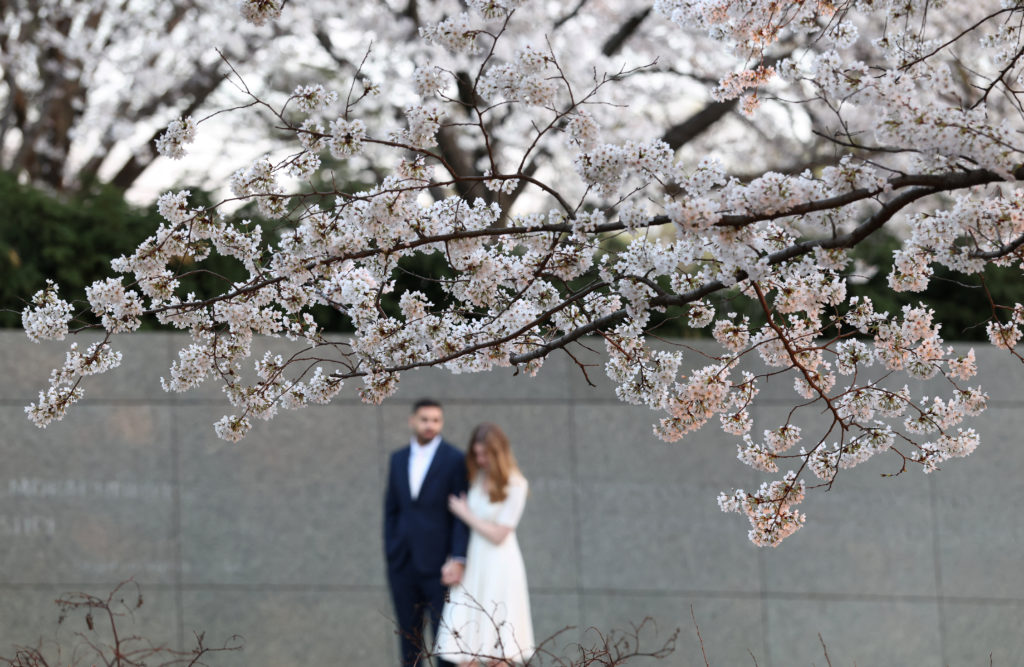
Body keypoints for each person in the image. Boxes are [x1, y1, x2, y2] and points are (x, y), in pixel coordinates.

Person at [434, 423, 535, 666]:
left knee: (498, 647)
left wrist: (464, 513)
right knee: (465, 645)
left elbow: (500, 534)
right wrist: (454, 559)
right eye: (476, 454)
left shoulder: (516, 484)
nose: (480, 460)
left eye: (485, 454)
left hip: (499, 566)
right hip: (474, 563)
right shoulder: (476, 477)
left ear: (498, 452)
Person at [384, 398, 470, 667]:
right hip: (403, 564)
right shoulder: (397, 459)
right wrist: (391, 550)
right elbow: (392, 510)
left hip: (441, 567)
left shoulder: (455, 459)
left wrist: (457, 557)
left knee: (447, 639)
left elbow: (461, 514)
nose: (430, 425)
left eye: (435, 420)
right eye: (424, 419)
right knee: (408, 638)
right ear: (412, 421)